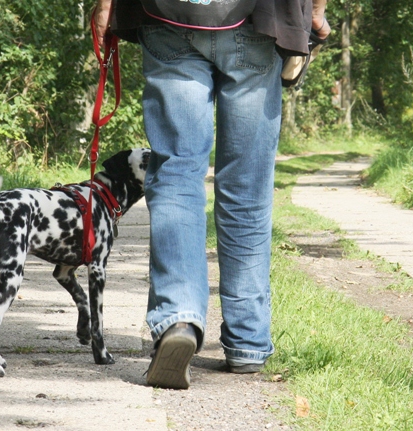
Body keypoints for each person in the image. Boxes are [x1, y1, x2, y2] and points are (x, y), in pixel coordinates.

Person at [95, 0, 330, 389]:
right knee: (247, 186)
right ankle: (248, 340)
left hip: (168, 15)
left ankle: (179, 319)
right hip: (260, 16)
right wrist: (315, 12)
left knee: (175, 173)